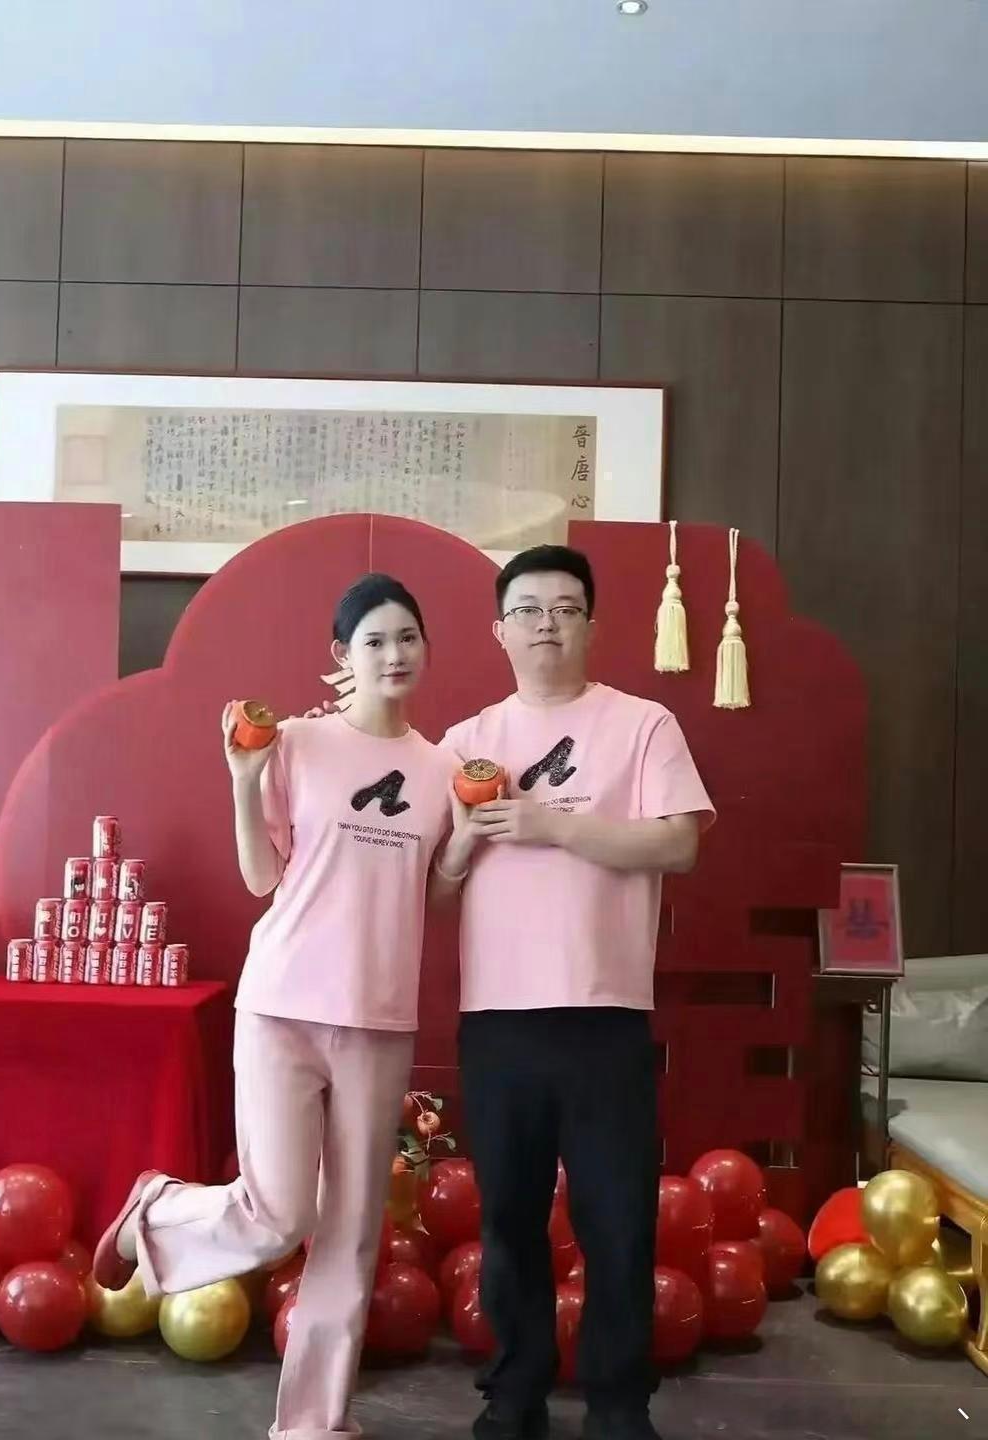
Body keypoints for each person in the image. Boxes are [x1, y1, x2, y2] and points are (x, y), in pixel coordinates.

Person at [93, 573, 455, 1440]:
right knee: (280, 1212)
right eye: (374, 641)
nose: (394, 654)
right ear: (343, 655)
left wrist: (471, 840)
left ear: (425, 648)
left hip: (379, 1017)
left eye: (407, 637)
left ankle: (313, 1424)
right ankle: (157, 1213)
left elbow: (434, 896)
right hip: (283, 1002)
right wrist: (243, 778)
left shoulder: (442, 770)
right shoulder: (295, 741)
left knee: (352, 1233)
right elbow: (261, 875)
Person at [433, 545, 715, 1440]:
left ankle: (618, 1404)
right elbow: (434, 889)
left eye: (565, 607)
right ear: (499, 631)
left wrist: (551, 826)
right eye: (528, 609)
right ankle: (514, 1394)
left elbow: (678, 843)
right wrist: (468, 838)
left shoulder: (642, 725)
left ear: (591, 624)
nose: (546, 623)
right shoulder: (464, 742)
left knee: (618, 1219)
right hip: (498, 1017)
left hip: (606, 1012)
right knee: (509, 1220)